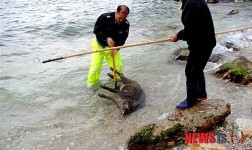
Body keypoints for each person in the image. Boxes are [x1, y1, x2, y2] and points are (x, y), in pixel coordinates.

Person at [170, 0, 216, 109]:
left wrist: (178, 36)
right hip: (205, 41)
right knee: (197, 68)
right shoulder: (192, 1)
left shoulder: (191, 3)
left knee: (190, 71)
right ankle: (201, 93)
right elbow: (195, 25)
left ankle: (191, 100)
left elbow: (191, 30)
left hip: (201, 44)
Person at [87, 5, 130, 90]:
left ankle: (119, 84)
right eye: (120, 18)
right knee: (95, 67)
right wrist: (106, 38)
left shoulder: (126, 24)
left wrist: (116, 48)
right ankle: (92, 86)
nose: (121, 20)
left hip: (113, 48)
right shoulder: (104, 17)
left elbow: (123, 39)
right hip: (99, 46)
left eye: (124, 18)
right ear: (116, 12)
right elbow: (96, 30)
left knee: (118, 68)